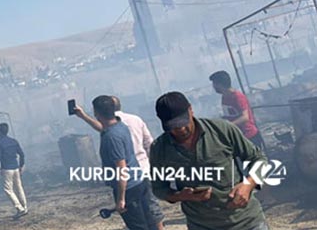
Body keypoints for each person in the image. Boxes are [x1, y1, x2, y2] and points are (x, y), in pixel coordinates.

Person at [149, 92, 269, 230]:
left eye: (183, 122)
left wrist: (248, 185)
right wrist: (180, 196)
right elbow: (158, 188)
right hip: (202, 225)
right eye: (174, 126)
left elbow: (259, 159)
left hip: (246, 222)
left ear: (190, 110)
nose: (181, 129)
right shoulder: (159, 148)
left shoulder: (222, 130)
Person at [75, 96, 164, 229]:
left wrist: (121, 199)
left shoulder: (112, 137)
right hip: (139, 181)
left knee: (138, 226)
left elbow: (122, 169)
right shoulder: (120, 125)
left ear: (96, 112)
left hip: (129, 188)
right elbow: (103, 128)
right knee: (149, 221)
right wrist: (83, 116)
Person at [210, 70, 265, 149]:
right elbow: (230, 115)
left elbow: (245, 117)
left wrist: (228, 125)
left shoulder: (238, 96)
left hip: (249, 136)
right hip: (238, 137)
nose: (213, 87)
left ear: (220, 84)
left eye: (214, 84)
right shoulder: (224, 97)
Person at [0, 122, 28, 217]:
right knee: (19, 187)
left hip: (7, 169)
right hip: (16, 167)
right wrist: (21, 165)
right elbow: (22, 154)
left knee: (8, 189)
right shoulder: (14, 141)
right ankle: (25, 207)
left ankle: (19, 208)